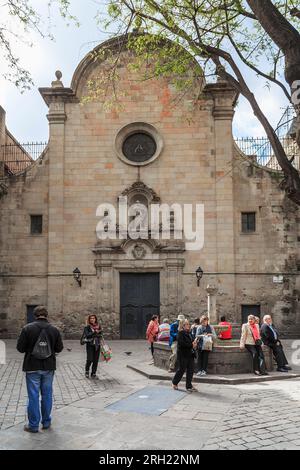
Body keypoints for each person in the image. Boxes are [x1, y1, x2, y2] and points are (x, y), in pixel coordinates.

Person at [16, 305, 64, 433]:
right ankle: (46, 423)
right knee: (47, 395)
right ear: (46, 315)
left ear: (34, 315)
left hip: (32, 366)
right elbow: (59, 348)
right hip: (48, 367)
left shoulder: (27, 328)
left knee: (33, 396)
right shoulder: (54, 330)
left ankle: (33, 425)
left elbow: (20, 349)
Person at [172, 320, 198, 393]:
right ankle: (174, 382)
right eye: (186, 324)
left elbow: (191, 341)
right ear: (182, 325)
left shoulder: (189, 332)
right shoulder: (180, 333)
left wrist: (194, 343)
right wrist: (191, 345)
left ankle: (189, 386)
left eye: (188, 324)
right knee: (181, 369)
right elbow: (181, 344)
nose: (188, 325)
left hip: (190, 354)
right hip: (183, 354)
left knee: (190, 370)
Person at [82, 314, 103, 379]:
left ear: (95, 319)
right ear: (89, 320)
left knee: (95, 360)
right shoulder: (87, 327)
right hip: (90, 345)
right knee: (89, 359)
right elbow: (87, 335)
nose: (92, 319)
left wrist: (99, 333)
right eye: (91, 318)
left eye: (93, 318)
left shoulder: (99, 326)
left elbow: (101, 334)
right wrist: (94, 333)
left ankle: (93, 373)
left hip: (97, 344)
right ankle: (87, 371)